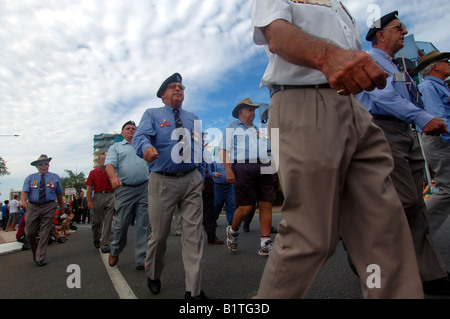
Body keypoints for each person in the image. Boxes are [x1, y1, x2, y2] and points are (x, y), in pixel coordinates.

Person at [250, 0, 424, 298]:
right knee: (312, 235)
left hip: (352, 107)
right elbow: (276, 35)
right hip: (303, 101)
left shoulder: (338, 5)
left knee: (383, 231)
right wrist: (330, 56)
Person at [356, 11, 450, 295]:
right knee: (403, 203)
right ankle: (385, 272)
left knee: (416, 206)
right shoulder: (371, 61)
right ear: (380, 34)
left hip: (404, 131)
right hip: (382, 130)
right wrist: (422, 118)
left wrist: (415, 121)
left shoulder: (394, 65)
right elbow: (383, 96)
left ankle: (430, 273)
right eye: (398, 28)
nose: (404, 31)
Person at [132, 73, 207, 299]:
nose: (178, 89)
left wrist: (201, 175)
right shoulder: (152, 114)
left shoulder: (193, 117)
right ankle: (153, 274)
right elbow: (140, 136)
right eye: (173, 87)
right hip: (162, 180)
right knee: (160, 235)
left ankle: (193, 291)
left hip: (191, 179)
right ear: (163, 94)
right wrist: (145, 148)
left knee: (194, 235)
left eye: (181, 87)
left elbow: (198, 147)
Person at [221, 98, 274, 256]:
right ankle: (233, 230)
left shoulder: (257, 129)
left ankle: (265, 243)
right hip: (243, 167)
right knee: (245, 207)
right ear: (240, 112)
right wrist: (228, 170)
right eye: (250, 109)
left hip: (263, 166)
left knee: (266, 203)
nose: (253, 112)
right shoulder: (232, 127)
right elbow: (224, 150)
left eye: (254, 110)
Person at [105, 120, 150, 270]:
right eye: (128, 128)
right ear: (122, 132)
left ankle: (141, 259)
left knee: (143, 225)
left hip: (144, 188)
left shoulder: (143, 146)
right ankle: (115, 249)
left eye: (133, 128)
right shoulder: (115, 147)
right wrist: (113, 177)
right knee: (121, 225)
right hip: (124, 189)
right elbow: (109, 165)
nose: (131, 130)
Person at [414, 50, 450, 236]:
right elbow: (439, 119)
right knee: (447, 189)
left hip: (442, 138)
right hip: (441, 139)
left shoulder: (440, 86)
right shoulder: (428, 87)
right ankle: (419, 236)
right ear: (435, 66)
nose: (449, 63)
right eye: (446, 61)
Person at [20, 154, 65, 266]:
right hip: (33, 207)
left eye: (46, 164)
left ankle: (40, 257)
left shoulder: (55, 177)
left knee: (45, 232)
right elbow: (25, 192)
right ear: (36, 166)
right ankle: (35, 252)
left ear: (48, 165)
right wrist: (23, 201)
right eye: (41, 164)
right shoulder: (30, 178)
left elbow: (59, 194)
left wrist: (62, 207)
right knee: (30, 232)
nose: (43, 166)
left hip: (49, 206)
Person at [86, 153, 114, 253]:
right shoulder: (93, 172)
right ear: (98, 161)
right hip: (98, 196)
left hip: (110, 195)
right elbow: (89, 188)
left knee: (108, 220)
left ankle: (105, 243)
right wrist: (89, 200)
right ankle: (96, 238)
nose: (104, 161)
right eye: (102, 159)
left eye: (106, 159)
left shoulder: (111, 171)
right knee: (96, 222)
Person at [201, 140, 223, 245]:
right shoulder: (192, 151)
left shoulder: (207, 153)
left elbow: (212, 168)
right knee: (193, 210)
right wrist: (201, 180)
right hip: (196, 181)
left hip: (208, 180)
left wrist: (211, 176)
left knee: (209, 209)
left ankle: (211, 236)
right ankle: (192, 239)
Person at [213, 160, 235, 226]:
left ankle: (232, 223)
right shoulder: (215, 161)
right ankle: (213, 219)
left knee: (231, 204)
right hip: (218, 187)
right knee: (217, 205)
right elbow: (211, 171)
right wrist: (215, 174)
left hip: (229, 186)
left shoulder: (231, 161)